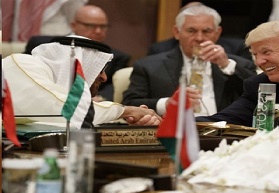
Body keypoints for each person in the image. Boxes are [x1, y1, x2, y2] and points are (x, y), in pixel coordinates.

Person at [122, 4, 257, 117]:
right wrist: (168, 103)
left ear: (218, 32)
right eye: (191, 31)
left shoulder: (238, 65)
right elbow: (129, 104)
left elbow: (257, 96)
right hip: (173, 136)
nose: (199, 38)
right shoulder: (148, 66)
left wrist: (226, 65)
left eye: (207, 31)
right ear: (176, 32)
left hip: (223, 136)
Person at [3, 35, 161, 128]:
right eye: (100, 68)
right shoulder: (22, 63)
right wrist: (125, 111)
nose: (104, 77)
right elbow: (66, 111)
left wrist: (130, 123)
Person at [24, 5, 131, 101]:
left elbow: (113, 86)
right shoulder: (44, 45)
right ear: (73, 25)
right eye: (90, 26)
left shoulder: (116, 57)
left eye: (103, 27)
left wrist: (99, 98)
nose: (98, 31)